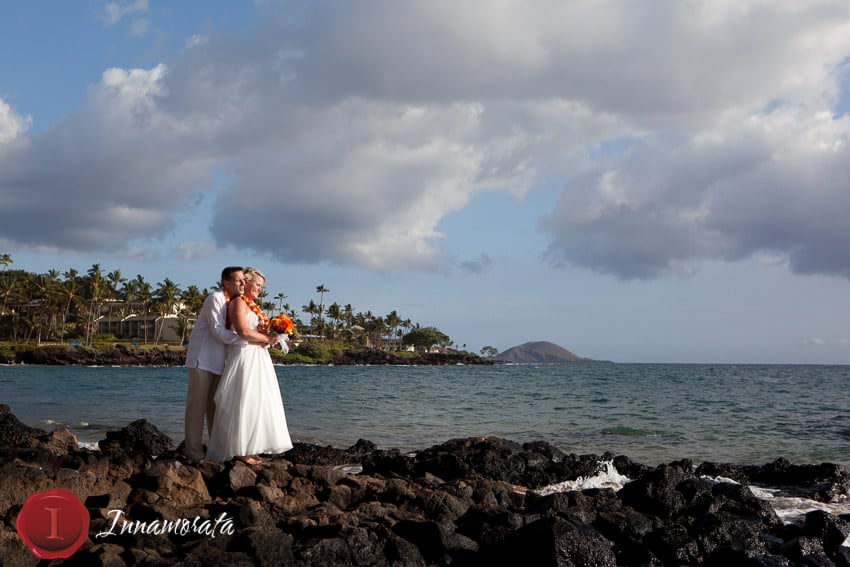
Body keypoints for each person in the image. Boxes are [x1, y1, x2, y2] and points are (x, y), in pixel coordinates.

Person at [206, 267, 293, 465]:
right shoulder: (238, 302)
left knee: (258, 401)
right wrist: (267, 339)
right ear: (246, 283)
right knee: (244, 399)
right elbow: (243, 331)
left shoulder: (253, 305)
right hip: (245, 356)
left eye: (262, 286)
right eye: (257, 284)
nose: (260, 289)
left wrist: (274, 335)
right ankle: (240, 450)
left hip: (258, 356)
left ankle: (251, 447)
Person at [183, 266, 255, 461]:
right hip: (202, 360)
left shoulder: (234, 302)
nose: (243, 284)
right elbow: (217, 331)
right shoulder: (215, 298)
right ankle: (194, 454)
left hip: (220, 363)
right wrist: (248, 339)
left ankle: (218, 452)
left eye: (244, 281)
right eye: (239, 281)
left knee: (217, 408)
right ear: (226, 283)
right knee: (196, 409)